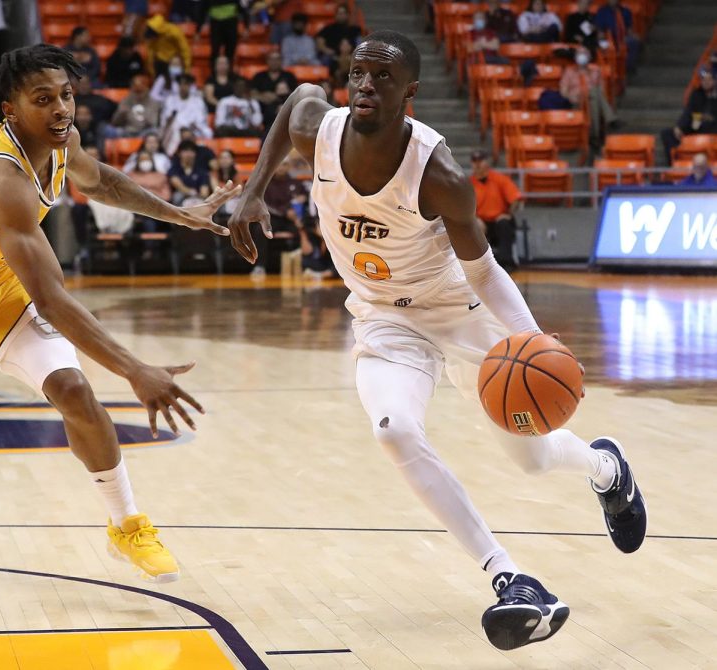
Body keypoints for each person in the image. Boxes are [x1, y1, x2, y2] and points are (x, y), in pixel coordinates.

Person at [227, 31, 647, 650]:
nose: (366, 86)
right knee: (394, 428)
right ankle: (511, 580)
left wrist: (530, 339)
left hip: (456, 310)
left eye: (383, 78)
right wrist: (254, 188)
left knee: (531, 458)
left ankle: (607, 470)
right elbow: (297, 99)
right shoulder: (319, 129)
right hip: (381, 317)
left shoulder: (439, 172)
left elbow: (483, 269)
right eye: (359, 74)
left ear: (411, 93)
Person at [0, 45, 240, 583]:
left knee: (73, 390)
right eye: (42, 99)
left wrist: (179, 215)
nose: (61, 109)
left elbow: (103, 183)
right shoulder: (1, 178)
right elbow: (51, 298)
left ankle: (127, 525)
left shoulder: (62, 141)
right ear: (10, 110)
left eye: (66, 95)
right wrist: (135, 370)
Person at [248, 156, 306, 277]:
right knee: (260, 230)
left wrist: (301, 200)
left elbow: (304, 199)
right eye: (278, 164)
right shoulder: (265, 184)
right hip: (272, 219)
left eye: (284, 164)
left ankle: (305, 265)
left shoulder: (297, 183)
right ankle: (260, 266)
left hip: (292, 220)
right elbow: (264, 204)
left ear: (289, 166)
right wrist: (285, 211)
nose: (281, 167)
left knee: (306, 228)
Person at [470, 150, 522, 270]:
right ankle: (478, 265)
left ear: (487, 162)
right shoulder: (469, 183)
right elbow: (463, 206)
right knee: (473, 226)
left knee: (503, 224)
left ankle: (506, 263)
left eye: (480, 161)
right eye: (474, 161)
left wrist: (508, 213)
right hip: (481, 221)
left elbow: (516, 199)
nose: (477, 164)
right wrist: (475, 219)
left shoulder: (499, 179)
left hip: (499, 219)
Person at [559, 47, 619, 145]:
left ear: (589, 57)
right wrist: (572, 98)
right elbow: (563, 91)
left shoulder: (595, 70)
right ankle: (610, 120)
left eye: (585, 53)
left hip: (591, 99)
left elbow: (602, 89)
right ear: (575, 57)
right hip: (577, 100)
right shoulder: (569, 71)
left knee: (594, 98)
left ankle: (594, 137)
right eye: (579, 53)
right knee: (595, 94)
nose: (582, 56)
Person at [661, 69, 717, 162]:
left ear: (715, 81)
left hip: (713, 130)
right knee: (667, 133)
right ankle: (675, 165)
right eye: (703, 80)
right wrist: (679, 126)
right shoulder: (697, 94)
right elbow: (688, 112)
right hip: (696, 128)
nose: (705, 82)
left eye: (709, 80)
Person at [161, 74, 212, 154]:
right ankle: (172, 155)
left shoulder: (198, 101)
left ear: (190, 86)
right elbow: (164, 121)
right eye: (180, 84)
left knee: (208, 133)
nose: (183, 87)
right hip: (174, 131)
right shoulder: (170, 100)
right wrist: (169, 120)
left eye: (186, 84)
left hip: (193, 131)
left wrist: (193, 127)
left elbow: (201, 122)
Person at [252, 51, 299, 129]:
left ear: (281, 61)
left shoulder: (289, 76)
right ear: (267, 61)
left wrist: (276, 97)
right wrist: (264, 97)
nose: (274, 62)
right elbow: (252, 94)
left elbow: (295, 94)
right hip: (262, 112)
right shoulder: (259, 76)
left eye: (277, 59)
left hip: (283, 110)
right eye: (271, 59)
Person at [197, 0, 249, 67]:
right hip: (216, 30)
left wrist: (246, 27)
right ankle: (214, 76)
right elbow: (202, 12)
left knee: (230, 54)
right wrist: (197, 30)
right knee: (215, 53)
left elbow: (243, 11)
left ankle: (230, 75)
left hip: (231, 29)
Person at [594, 0, 640, 73]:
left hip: (623, 38)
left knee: (633, 41)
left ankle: (627, 68)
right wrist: (605, 38)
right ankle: (610, 70)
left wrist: (632, 35)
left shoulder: (625, 11)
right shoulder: (602, 12)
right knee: (602, 45)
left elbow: (629, 29)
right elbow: (600, 31)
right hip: (608, 38)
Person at [145, 14, 192, 80]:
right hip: (160, 64)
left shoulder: (174, 32)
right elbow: (150, 52)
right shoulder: (152, 36)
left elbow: (184, 50)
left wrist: (187, 68)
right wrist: (152, 71)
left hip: (174, 62)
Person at [168, 139, 213, 204]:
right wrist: (191, 192)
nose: (189, 154)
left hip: (197, 199)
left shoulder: (201, 171)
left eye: (192, 151)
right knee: (177, 195)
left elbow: (204, 192)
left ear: (195, 154)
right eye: (185, 151)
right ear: (179, 153)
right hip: (181, 200)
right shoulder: (174, 169)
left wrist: (197, 198)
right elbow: (178, 185)